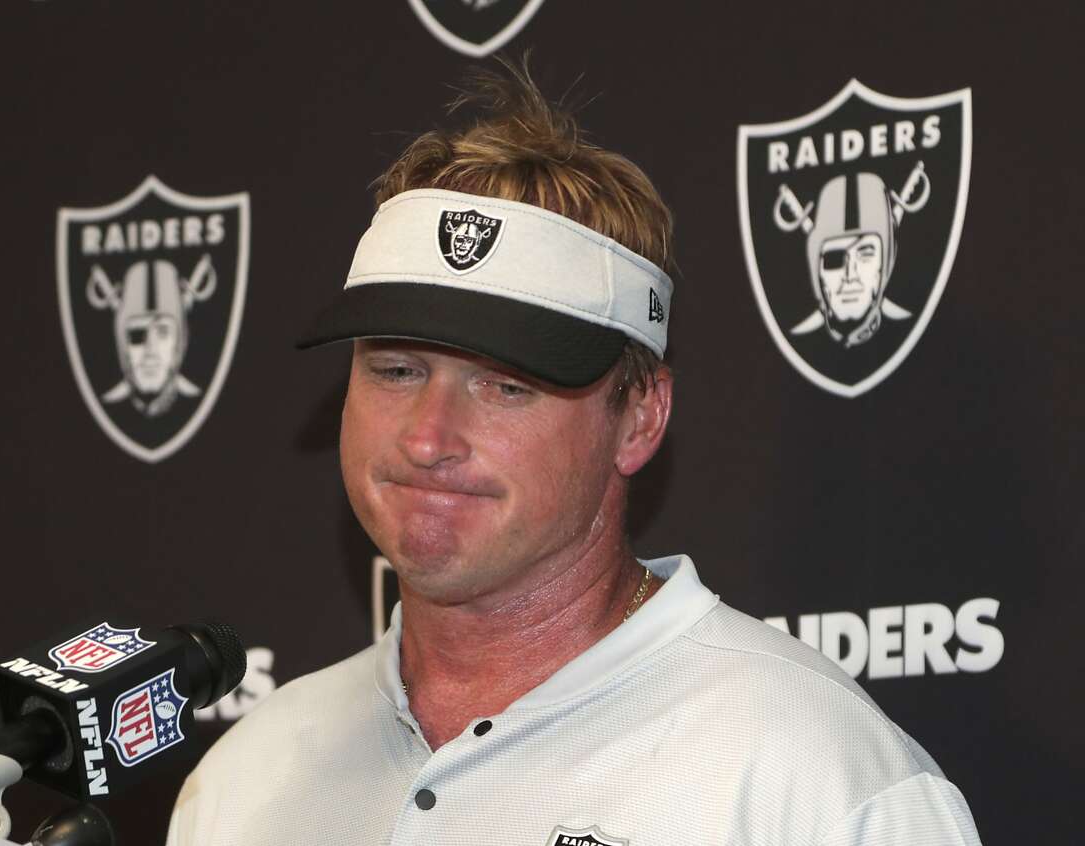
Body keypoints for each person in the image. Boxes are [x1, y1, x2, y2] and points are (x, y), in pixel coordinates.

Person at [167, 61, 981, 846]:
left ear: (640, 417)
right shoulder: (247, 776)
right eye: (396, 370)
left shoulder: (813, 775)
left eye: (505, 386)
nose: (426, 437)